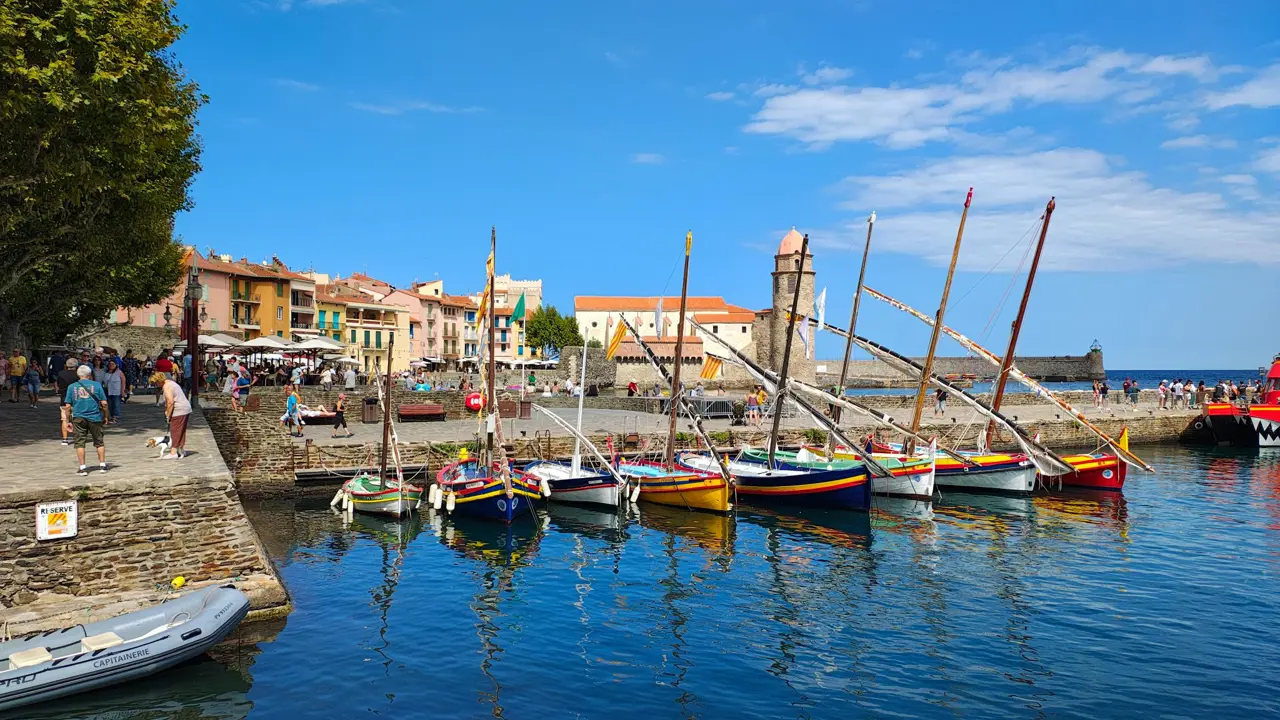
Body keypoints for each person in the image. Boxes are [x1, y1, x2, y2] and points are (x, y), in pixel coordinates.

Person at [63, 365, 109, 475]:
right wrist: (106, 416)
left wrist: (68, 420)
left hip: (78, 417)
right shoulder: (97, 385)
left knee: (80, 443)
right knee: (99, 442)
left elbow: (68, 406)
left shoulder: (71, 387)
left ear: (78, 375)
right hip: (94, 417)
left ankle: (83, 468)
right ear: (89, 375)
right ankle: (102, 465)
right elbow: (104, 403)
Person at [153, 371, 191, 459]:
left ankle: (173, 452)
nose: (155, 385)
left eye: (155, 382)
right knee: (181, 430)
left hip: (179, 410)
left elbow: (170, 402)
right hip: (185, 408)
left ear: (159, 381)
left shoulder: (166, 387)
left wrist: (168, 414)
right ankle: (180, 450)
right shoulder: (171, 383)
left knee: (175, 430)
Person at [56, 358, 80, 445]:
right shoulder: (78, 374)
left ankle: (65, 439)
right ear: (76, 366)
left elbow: (59, 385)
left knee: (64, 419)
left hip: (64, 398)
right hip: (76, 399)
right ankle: (77, 437)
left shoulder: (61, 373)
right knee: (77, 419)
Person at [103, 359, 125, 424]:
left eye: (113, 364)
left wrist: (122, 390)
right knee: (109, 404)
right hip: (108, 390)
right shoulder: (106, 373)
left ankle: (114, 418)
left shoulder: (119, 372)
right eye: (110, 364)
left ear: (116, 365)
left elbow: (123, 381)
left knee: (116, 404)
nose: (111, 365)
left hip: (116, 391)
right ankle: (111, 416)